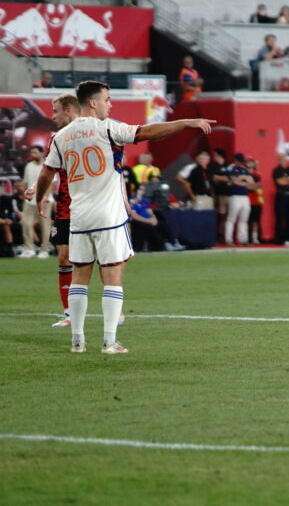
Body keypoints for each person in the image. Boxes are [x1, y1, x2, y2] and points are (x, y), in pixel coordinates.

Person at [34, 80, 213, 354]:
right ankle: (109, 341)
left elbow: (47, 173)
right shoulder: (108, 128)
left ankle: (78, 340)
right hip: (109, 215)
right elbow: (148, 132)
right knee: (112, 274)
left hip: (79, 216)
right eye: (107, 99)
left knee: (80, 275)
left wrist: (39, 200)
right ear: (93, 103)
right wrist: (186, 122)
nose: (110, 104)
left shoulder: (61, 136)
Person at [27, 94, 79, 326]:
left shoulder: (92, 133)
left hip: (92, 206)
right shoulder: (57, 138)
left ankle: (114, 307)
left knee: (102, 259)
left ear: (68, 110)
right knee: (64, 257)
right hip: (66, 207)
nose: (52, 116)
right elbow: (50, 170)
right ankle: (69, 313)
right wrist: (35, 187)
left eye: (56, 111)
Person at [19, 145, 50, 258]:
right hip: (30, 201)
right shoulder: (28, 166)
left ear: (42, 153)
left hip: (44, 201)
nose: (33, 154)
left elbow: (50, 182)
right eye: (32, 152)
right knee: (26, 224)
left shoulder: (47, 165)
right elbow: (26, 183)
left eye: (35, 152)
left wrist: (44, 197)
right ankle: (29, 249)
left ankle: (44, 250)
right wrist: (24, 198)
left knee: (45, 226)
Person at [224, 152, 254, 246]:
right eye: (240, 161)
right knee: (231, 218)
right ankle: (228, 239)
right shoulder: (231, 168)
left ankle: (242, 239)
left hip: (245, 196)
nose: (241, 163)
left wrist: (243, 179)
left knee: (244, 219)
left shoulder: (245, 170)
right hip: (235, 195)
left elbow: (251, 182)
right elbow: (234, 181)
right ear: (236, 160)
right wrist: (243, 180)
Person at [271, 154, 289, 245]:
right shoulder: (276, 171)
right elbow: (280, 182)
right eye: (280, 159)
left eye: (283, 158)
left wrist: (288, 179)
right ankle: (279, 239)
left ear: (286, 159)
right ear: (278, 160)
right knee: (280, 218)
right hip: (281, 196)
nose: (282, 160)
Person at [246, 157, 263, 244]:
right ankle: (247, 237)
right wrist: (252, 186)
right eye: (247, 162)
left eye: (251, 162)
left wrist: (250, 185)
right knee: (248, 220)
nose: (249, 164)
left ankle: (255, 238)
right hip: (247, 200)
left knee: (255, 221)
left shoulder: (257, 175)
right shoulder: (244, 174)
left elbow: (258, 186)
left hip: (256, 200)